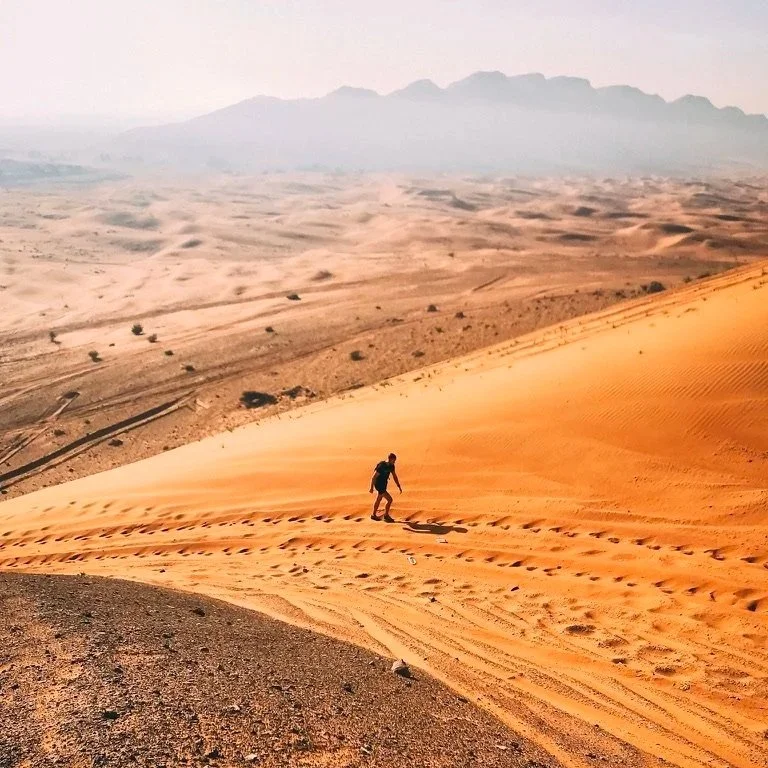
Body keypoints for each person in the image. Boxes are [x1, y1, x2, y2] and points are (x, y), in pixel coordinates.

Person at [370, 452, 402, 522]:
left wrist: (398, 485)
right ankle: (386, 515)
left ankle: (373, 515)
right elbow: (374, 477)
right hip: (379, 484)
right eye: (393, 461)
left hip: (384, 484)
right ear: (390, 459)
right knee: (390, 500)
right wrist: (371, 488)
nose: (394, 462)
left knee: (379, 499)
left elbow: (394, 476)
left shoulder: (391, 466)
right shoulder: (381, 466)